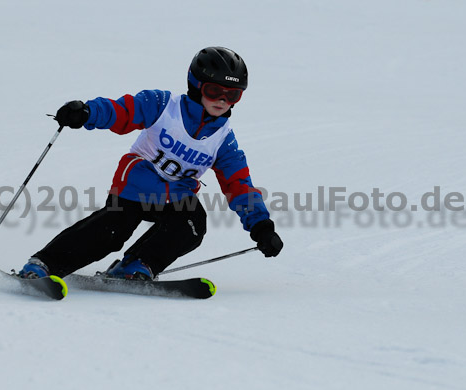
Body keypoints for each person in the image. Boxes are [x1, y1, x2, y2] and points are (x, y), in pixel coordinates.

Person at [18, 46, 283, 281]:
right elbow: (121, 112)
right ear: (195, 84)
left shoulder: (224, 141)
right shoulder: (163, 105)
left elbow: (239, 186)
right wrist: (87, 112)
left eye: (233, 95)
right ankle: (45, 264)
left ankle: (136, 264)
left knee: (192, 225)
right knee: (113, 229)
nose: (222, 100)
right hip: (137, 184)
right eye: (214, 91)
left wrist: (261, 227)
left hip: (177, 194)